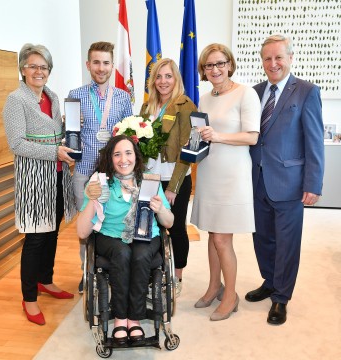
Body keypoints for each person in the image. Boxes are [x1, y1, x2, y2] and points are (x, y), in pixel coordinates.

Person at [246, 34, 324, 325]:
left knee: (287, 243)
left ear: (290, 58)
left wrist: (312, 184)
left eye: (279, 57)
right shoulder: (254, 92)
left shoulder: (306, 91)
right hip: (257, 180)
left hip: (290, 183)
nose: (273, 63)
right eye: (267, 58)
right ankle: (269, 281)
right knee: (263, 238)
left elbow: (314, 141)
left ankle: (281, 297)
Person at [3, 43, 77, 326]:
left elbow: (56, 130)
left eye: (43, 67)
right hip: (34, 178)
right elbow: (17, 143)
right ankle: (29, 297)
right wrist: (53, 151)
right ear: (22, 69)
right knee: (35, 237)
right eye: (32, 66)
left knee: (53, 232)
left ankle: (46, 280)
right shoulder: (15, 100)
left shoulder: (52, 96)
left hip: (58, 176)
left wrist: (70, 132)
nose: (38, 71)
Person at [76, 135, 174, 345]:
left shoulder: (148, 181)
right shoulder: (100, 182)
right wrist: (93, 199)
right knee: (122, 253)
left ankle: (134, 319)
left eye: (128, 153)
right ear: (110, 158)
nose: (123, 159)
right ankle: (121, 317)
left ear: (136, 156)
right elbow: (82, 233)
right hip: (110, 237)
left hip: (146, 235)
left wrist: (162, 209)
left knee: (139, 254)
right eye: (117, 154)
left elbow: (169, 222)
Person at [190, 43, 261, 321]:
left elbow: (251, 137)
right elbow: (201, 134)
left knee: (222, 238)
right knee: (211, 233)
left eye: (220, 63)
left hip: (232, 174)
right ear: (203, 71)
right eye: (209, 65)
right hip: (209, 171)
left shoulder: (246, 94)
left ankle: (230, 296)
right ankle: (213, 287)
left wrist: (217, 136)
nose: (215, 69)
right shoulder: (205, 98)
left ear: (230, 64)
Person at [68, 41, 133, 293]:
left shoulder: (123, 98)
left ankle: (113, 270)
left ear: (112, 65)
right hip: (84, 172)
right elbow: (69, 135)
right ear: (88, 65)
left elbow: (129, 135)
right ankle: (87, 272)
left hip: (114, 173)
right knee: (85, 226)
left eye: (106, 62)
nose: (101, 68)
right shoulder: (76, 96)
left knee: (112, 222)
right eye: (96, 62)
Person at [139, 58, 197, 296]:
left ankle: (177, 276)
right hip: (149, 178)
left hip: (175, 178)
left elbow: (187, 150)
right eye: (159, 77)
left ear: (176, 79)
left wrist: (173, 187)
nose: (163, 82)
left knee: (176, 227)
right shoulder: (147, 107)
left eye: (168, 76)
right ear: (153, 81)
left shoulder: (185, 105)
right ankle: (157, 271)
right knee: (151, 227)